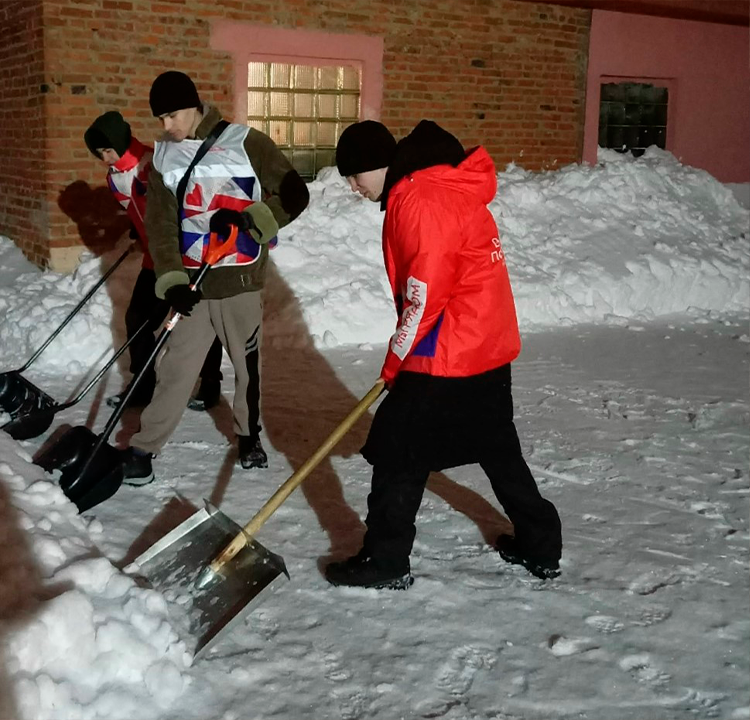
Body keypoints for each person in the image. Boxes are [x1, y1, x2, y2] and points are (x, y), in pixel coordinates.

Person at [323, 120, 562, 589]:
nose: (353, 187)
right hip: (483, 343)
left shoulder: (420, 199)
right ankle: (541, 541)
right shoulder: (440, 184)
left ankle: (387, 561)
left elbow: (423, 296)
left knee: (398, 453)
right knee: (496, 447)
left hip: (447, 351)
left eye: (356, 175)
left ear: (382, 164)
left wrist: (395, 364)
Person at [113, 71, 309, 484]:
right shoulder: (165, 157)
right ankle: (145, 449)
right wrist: (171, 280)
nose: (167, 127)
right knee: (175, 369)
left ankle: (248, 437)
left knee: (246, 368)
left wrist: (257, 220)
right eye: (160, 119)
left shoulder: (246, 141)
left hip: (240, 282)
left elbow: (294, 192)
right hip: (193, 289)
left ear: (194, 104)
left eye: (173, 115)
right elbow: (161, 225)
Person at [83, 111, 224, 410]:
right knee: (138, 319)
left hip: (185, 257)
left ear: (121, 143)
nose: (105, 158)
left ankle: (210, 385)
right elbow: (136, 206)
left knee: (198, 322)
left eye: (109, 150)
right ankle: (142, 386)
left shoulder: (153, 164)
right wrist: (139, 226)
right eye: (100, 153)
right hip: (154, 259)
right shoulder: (115, 177)